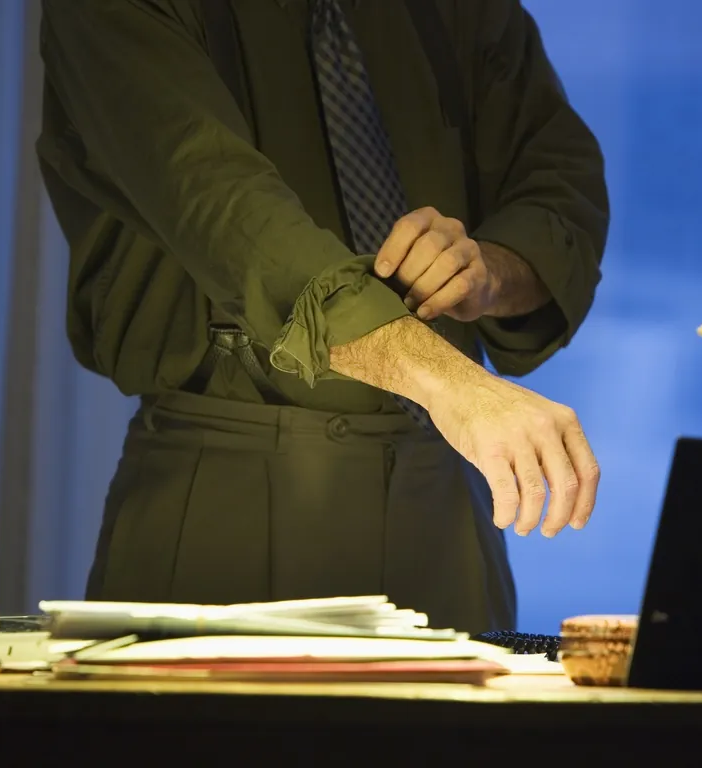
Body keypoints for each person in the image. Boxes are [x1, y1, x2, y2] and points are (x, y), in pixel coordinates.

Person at [37, 0, 609, 634]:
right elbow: (228, 216)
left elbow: (559, 186)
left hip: (447, 502)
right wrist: (451, 382)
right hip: (224, 499)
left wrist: (488, 271)